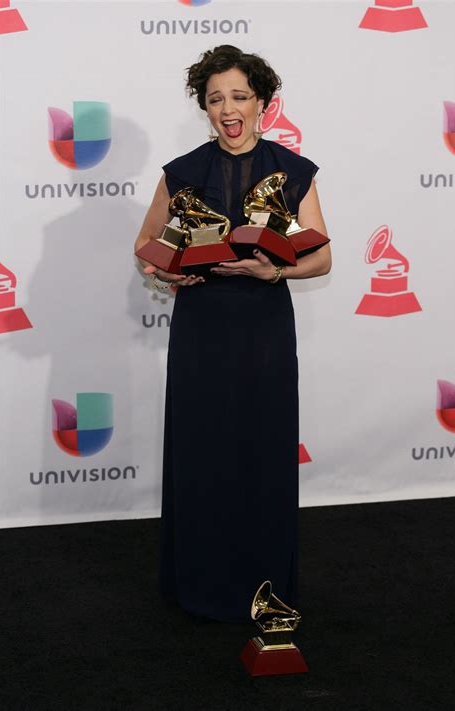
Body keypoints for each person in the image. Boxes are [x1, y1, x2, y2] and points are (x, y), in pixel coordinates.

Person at [134, 45, 331, 623]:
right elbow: (147, 245)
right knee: (202, 455)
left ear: (264, 103)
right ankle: (199, 584)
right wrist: (164, 270)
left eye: (239, 96)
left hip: (265, 330)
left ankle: (264, 585)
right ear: (205, 108)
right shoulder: (183, 172)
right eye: (216, 98)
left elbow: (320, 260)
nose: (228, 108)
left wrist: (274, 269)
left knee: (262, 455)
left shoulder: (295, 172)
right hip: (201, 330)